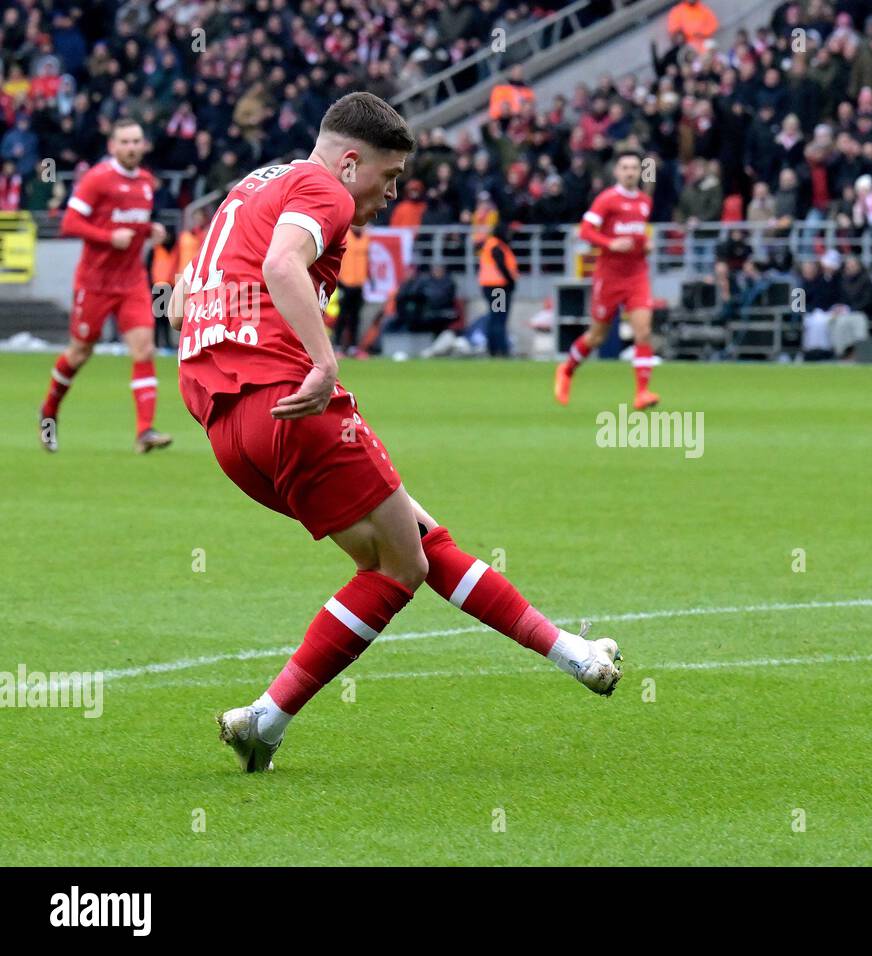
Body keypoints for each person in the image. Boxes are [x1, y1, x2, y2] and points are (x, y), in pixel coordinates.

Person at [168, 93, 624, 773]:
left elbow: (180, 297)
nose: (391, 193)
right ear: (352, 161)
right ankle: (265, 718)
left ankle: (575, 654)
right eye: (390, 177)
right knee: (399, 566)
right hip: (290, 401)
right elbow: (281, 266)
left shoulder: (251, 187)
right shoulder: (325, 189)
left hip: (227, 428)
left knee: (413, 541)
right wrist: (324, 360)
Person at [39, 118, 172, 453]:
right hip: (94, 283)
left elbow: (131, 224)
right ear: (112, 146)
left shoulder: (145, 182)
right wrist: (107, 237)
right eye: (124, 142)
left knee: (144, 349)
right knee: (80, 352)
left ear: (144, 145)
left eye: (136, 141)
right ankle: (49, 411)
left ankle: (145, 431)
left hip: (131, 283)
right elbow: (69, 222)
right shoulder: (97, 179)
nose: (131, 147)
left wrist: (150, 231)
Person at [556, 150, 659, 410]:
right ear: (616, 172)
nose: (630, 172)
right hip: (609, 277)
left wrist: (646, 245)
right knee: (596, 337)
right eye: (624, 167)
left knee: (643, 331)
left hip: (637, 275)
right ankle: (567, 370)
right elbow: (585, 231)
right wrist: (610, 243)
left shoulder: (645, 202)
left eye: (634, 167)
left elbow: (637, 234)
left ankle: (642, 393)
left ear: (639, 171)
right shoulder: (607, 200)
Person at [478, 221, 517, 356]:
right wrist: (511, 281)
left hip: (493, 286)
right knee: (498, 319)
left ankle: (494, 349)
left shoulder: (492, 244)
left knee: (496, 317)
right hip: (497, 288)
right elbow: (502, 266)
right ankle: (501, 350)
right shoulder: (496, 246)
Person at [334, 224, 369, 354]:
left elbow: (367, 260)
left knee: (355, 317)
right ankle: (337, 345)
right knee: (342, 316)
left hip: (359, 283)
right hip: (344, 282)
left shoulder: (366, 237)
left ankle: (353, 347)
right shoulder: (344, 235)